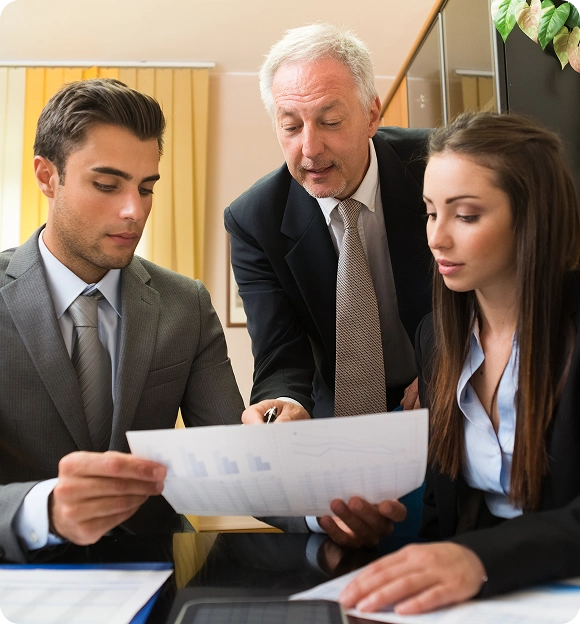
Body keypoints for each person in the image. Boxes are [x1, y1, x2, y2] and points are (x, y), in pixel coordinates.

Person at [340, 111, 580, 615]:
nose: (437, 238)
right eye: (431, 212)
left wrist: (477, 559)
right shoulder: (435, 337)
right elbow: (443, 507)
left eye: (466, 215)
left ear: (532, 217)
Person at [0, 78, 244, 563]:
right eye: (107, 185)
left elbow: (233, 458)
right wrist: (42, 509)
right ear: (47, 176)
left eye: (147, 188)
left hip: (158, 569)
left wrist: (324, 512)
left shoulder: (185, 304)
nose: (134, 211)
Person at [225, 23, 432, 425]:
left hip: (447, 391)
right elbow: (279, 350)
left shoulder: (437, 164)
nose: (310, 149)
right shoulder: (254, 219)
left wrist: (445, 363)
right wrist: (282, 402)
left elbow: (487, 288)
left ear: (371, 115)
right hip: (338, 412)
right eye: (290, 127)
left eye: (330, 121)